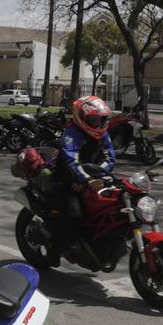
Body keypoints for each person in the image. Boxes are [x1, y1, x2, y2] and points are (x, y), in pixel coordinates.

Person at [54, 95, 116, 229]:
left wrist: (96, 177)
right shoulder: (72, 134)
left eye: (100, 119)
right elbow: (71, 160)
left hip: (93, 179)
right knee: (75, 218)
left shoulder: (103, 134)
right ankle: (59, 247)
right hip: (67, 180)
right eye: (93, 120)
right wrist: (87, 180)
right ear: (82, 118)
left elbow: (110, 158)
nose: (97, 124)